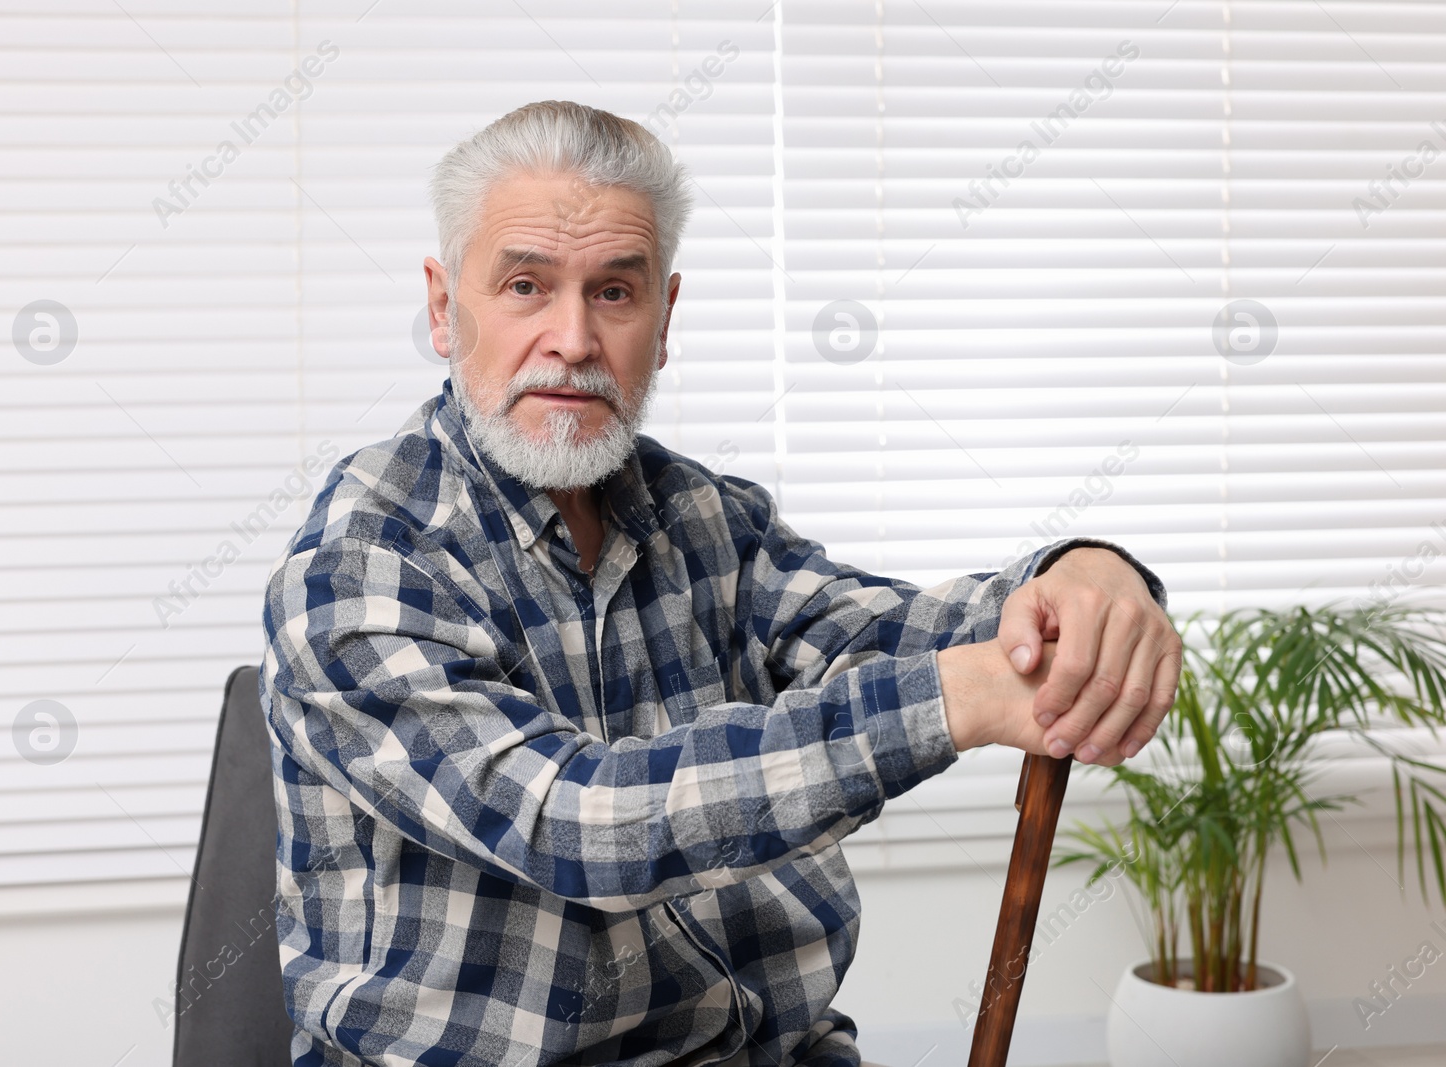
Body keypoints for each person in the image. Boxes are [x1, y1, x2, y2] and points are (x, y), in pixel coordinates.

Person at [258, 100, 1181, 1067]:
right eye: (526, 285)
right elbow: (579, 824)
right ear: (445, 307)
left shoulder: (706, 516)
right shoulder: (358, 564)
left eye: (615, 292)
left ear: (664, 318)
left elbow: (892, 632)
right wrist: (959, 696)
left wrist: (1081, 579)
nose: (572, 338)